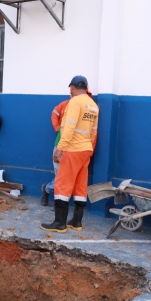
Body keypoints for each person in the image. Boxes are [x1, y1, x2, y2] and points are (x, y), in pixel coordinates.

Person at [41, 75, 99, 233]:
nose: (70, 91)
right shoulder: (93, 106)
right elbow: (93, 132)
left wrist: (60, 148)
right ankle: (76, 221)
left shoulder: (74, 102)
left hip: (73, 149)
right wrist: (89, 149)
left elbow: (69, 128)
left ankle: (59, 223)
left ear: (72, 87)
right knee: (80, 185)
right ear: (86, 88)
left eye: (70, 89)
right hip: (85, 150)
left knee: (62, 184)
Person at [41, 99, 69, 206]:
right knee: (60, 176)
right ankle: (58, 202)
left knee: (66, 176)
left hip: (75, 148)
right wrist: (57, 128)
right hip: (60, 145)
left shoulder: (86, 106)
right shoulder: (66, 104)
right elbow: (55, 112)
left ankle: (47, 189)